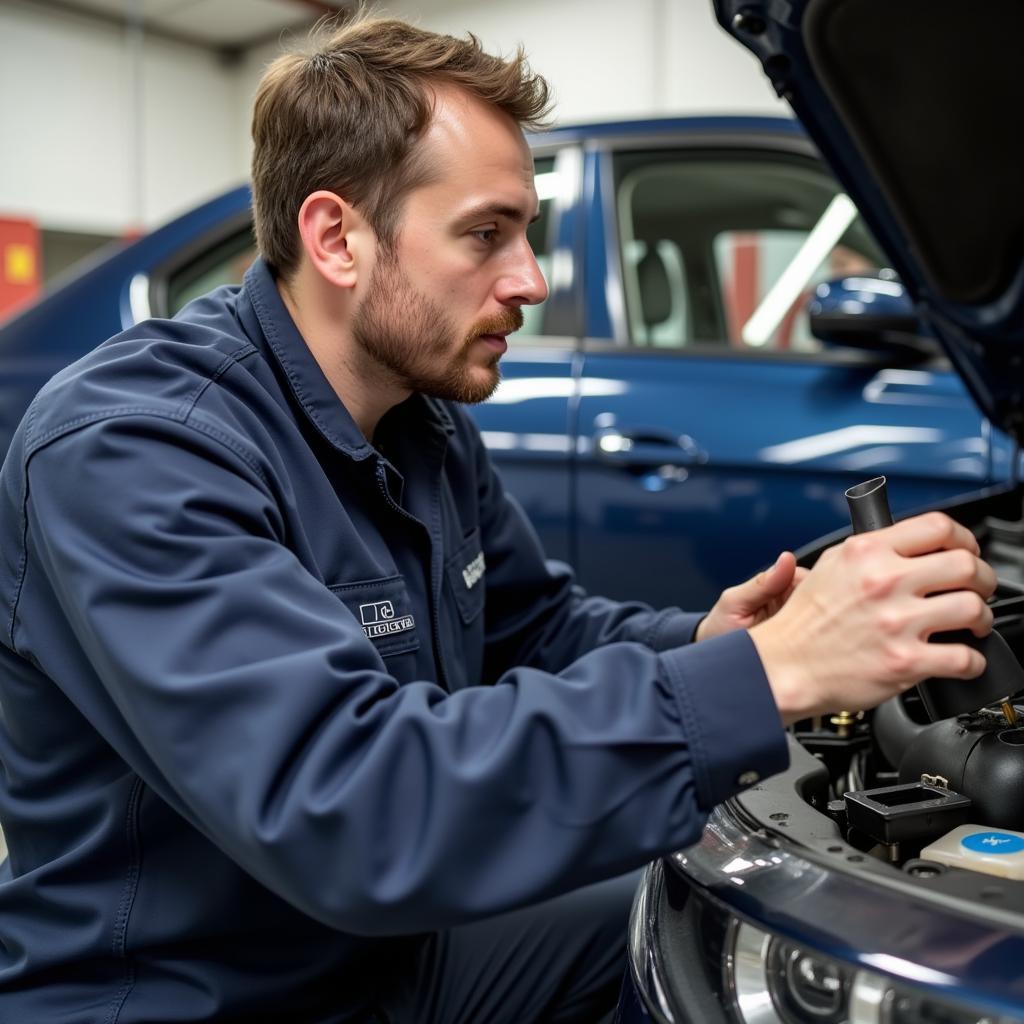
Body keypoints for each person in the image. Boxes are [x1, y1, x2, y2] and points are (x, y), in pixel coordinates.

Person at [0, 15, 995, 1024]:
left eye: (527, 234)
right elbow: (352, 807)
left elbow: (536, 632)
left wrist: (714, 640)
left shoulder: (416, 416)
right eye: (485, 235)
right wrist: (770, 674)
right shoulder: (133, 448)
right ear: (336, 237)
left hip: (382, 961)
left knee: (705, 927)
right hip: (192, 994)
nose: (527, 280)